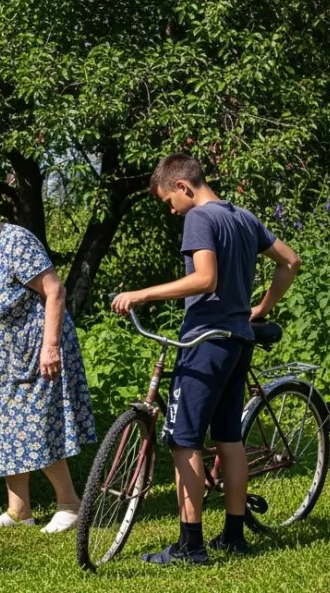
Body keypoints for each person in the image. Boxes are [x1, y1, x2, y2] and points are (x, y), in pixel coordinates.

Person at [112, 154, 302, 565]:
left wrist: (142, 294)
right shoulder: (242, 216)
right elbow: (290, 262)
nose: (170, 209)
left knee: (185, 440)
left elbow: (204, 279)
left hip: (205, 341)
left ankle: (190, 546)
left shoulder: (199, 218)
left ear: (183, 186)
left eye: (168, 200)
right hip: (237, 338)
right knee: (229, 438)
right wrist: (259, 310)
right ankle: (233, 536)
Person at [0, 190, 98, 532]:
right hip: (4, 358)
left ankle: (70, 504)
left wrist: (51, 345)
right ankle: (19, 511)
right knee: (8, 428)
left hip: (36, 353)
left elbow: (55, 291)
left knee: (37, 424)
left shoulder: (17, 243)